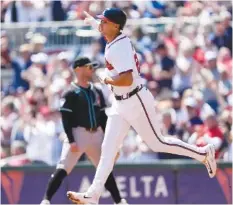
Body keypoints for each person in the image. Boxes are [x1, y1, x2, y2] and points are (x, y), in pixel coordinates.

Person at [67, 8, 217, 204]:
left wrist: (107, 79)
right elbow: (107, 32)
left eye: (104, 22)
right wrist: (91, 22)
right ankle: (93, 195)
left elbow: (127, 79)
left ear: (115, 25)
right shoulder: (115, 37)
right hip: (120, 103)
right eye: (101, 22)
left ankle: (203, 153)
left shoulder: (118, 47)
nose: (101, 24)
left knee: (157, 143)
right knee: (108, 148)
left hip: (135, 98)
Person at [40, 57, 127, 205]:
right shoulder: (70, 92)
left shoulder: (97, 91)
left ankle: (119, 201)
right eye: (88, 67)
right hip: (77, 134)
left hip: (96, 134)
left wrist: (110, 140)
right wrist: (71, 140)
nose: (92, 70)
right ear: (78, 69)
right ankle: (46, 200)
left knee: (105, 170)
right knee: (63, 168)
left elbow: (102, 118)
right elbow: (66, 119)